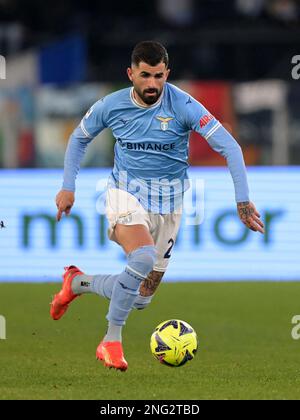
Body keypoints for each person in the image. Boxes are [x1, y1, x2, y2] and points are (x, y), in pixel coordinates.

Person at [50, 41, 264, 371]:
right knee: (143, 256)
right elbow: (79, 138)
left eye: (159, 76)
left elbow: (231, 148)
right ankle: (111, 340)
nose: (152, 84)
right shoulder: (111, 106)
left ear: (167, 74)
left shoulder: (184, 105)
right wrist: (68, 186)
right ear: (131, 74)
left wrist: (242, 201)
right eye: (145, 76)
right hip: (126, 194)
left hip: (170, 203)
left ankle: (78, 282)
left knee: (140, 298)